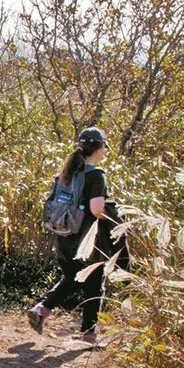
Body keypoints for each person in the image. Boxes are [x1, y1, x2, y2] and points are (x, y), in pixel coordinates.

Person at [27, 126, 117, 346]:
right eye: (104, 146)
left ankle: (41, 309)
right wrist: (116, 216)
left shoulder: (66, 173)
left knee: (72, 279)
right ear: (100, 146)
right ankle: (89, 335)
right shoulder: (96, 175)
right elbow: (97, 209)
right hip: (86, 241)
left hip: (63, 236)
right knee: (94, 285)